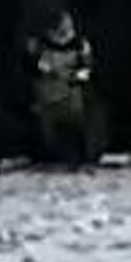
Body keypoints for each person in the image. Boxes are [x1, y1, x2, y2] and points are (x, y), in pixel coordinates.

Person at [29, 11, 94, 165]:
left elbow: (87, 70)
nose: (63, 35)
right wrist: (50, 71)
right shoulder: (41, 46)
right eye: (60, 29)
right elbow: (36, 67)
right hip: (48, 98)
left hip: (72, 98)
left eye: (67, 29)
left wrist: (74, 78)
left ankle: (81, 154)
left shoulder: (80, 45)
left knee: (77, 125)